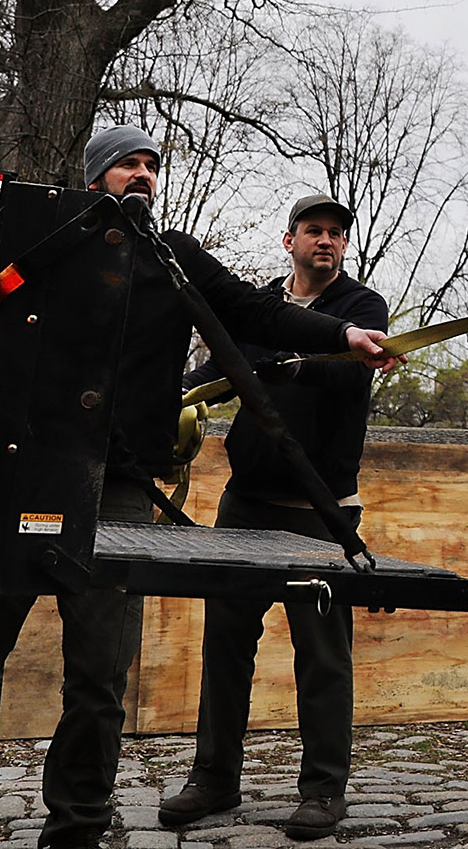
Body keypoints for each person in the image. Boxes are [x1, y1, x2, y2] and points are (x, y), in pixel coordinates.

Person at [0, 129, 396, 849]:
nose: (143, 174)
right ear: (95, 176)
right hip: (20, 478)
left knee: (99, 678)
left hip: (123, 490)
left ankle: (77, 825)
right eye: (128, 163)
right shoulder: (48, 244)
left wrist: (342, 334)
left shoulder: (176, 258)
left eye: (152, 165)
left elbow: (255, 314)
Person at [160, 194, 388, 841]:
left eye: (336, 233)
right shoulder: (255, 304)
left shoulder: (361, 310)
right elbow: (214, 369)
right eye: (314, 230)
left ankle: (322, 789)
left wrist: (267, 363)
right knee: (226, 642)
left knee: (322, 654)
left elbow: (339, 377)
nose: (326, 240)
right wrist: (179, 397)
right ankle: (213, 776)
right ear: (288, 240)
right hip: (245, 501)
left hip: (319, 509)